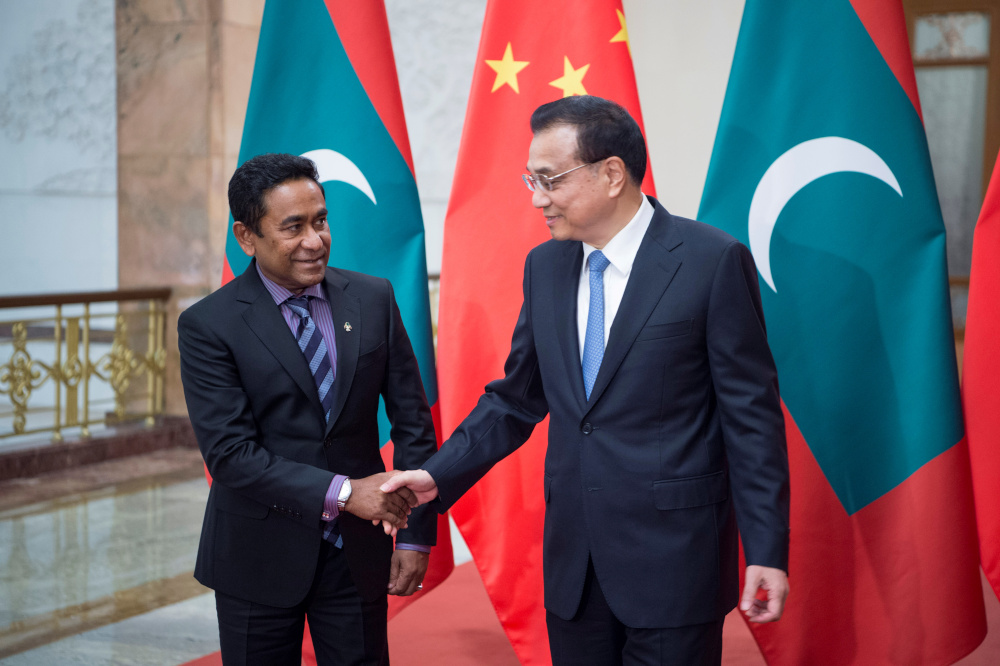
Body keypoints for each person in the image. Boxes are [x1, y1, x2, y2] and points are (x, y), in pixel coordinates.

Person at [382, 96, 790, 665]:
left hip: (675, 562)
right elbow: (516, 400)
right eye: (531, 180)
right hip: (574, 564)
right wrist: (435, 475)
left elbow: (751, 420)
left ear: (612, 174)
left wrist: (766, 549)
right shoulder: (545, 266)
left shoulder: (710, 260)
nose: (537, 198)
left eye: (550, 179)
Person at [178, 153, 435, 665]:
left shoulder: (373, 298)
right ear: (247, 236)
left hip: (358, 554)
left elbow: (413, 422)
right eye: (293, 227)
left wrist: (414, 538)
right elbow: (230, 454)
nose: (315, 241)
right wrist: (345, 493)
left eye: (321, 221)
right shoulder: (210, 325)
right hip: (257, 556)